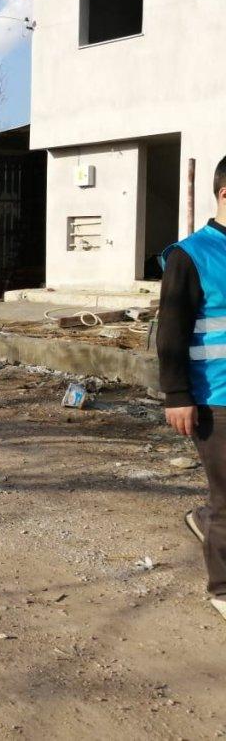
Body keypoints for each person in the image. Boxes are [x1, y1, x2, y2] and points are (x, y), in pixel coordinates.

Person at [159, 154, 226, 624]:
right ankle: (223, 588)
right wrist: (177, 396)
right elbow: (171, 333)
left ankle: (203, 522)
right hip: (215, 398)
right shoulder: (191, 255)